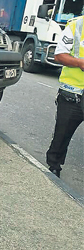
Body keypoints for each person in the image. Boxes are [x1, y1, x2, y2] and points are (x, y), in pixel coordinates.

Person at [46, 15, 84, 177]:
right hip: (73, 94)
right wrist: (81, 63)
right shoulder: (77, 26)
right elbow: (59, 55)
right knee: (62, 134)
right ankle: (54, 166)